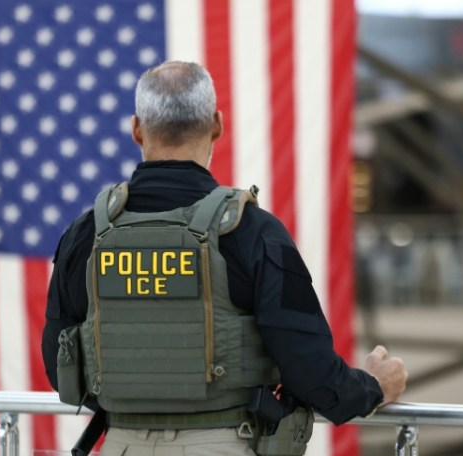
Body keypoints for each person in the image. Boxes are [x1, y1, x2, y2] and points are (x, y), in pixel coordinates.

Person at [43, 61, 408, 456]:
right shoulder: (253, 231)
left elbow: (60, 367)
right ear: (216, 125)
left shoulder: (86, 235)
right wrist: (374, 386)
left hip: (119, 446)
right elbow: (311, 372)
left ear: (136, 129)